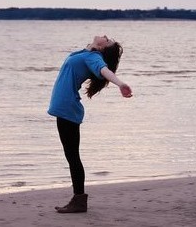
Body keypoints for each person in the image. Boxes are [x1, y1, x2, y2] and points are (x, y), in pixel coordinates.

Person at [48, 35, 133, 213]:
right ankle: (78, 199)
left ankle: (79, 200)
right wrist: (91, 47)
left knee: (72, 156)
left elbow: (104, 71)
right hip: (66, 108)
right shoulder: (86, 53)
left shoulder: (94, 58)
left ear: (103, 49)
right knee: (71, 156)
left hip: (67, 108)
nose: (105, 36)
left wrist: (120, 84)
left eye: (107, 40)